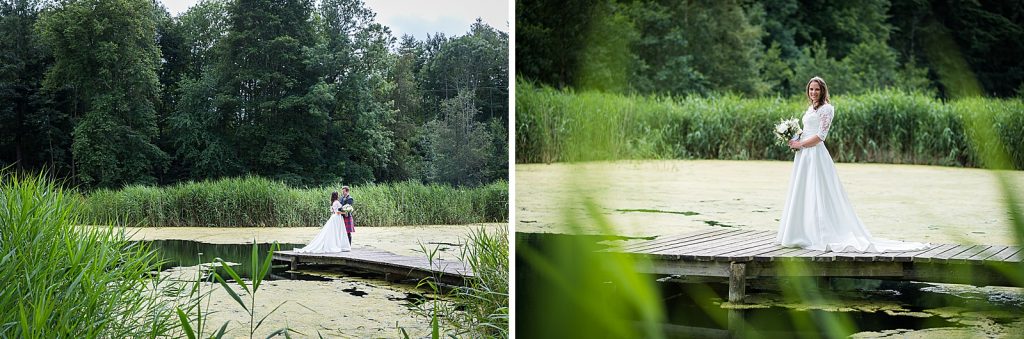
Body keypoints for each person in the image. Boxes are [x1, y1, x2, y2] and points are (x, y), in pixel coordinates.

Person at [775, 76, 930, 253]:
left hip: (815, 155)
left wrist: (800, 144)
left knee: (818, 191)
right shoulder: (811, 108)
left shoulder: (827, 109)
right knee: (803, 191)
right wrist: (794, 137)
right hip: (803, 156)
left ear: (823, 90)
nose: (813, 92)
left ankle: (819, 233)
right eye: (811, 89)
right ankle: (801, 232)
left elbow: (820, 136)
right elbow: (808, 131)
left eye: (817, 89)